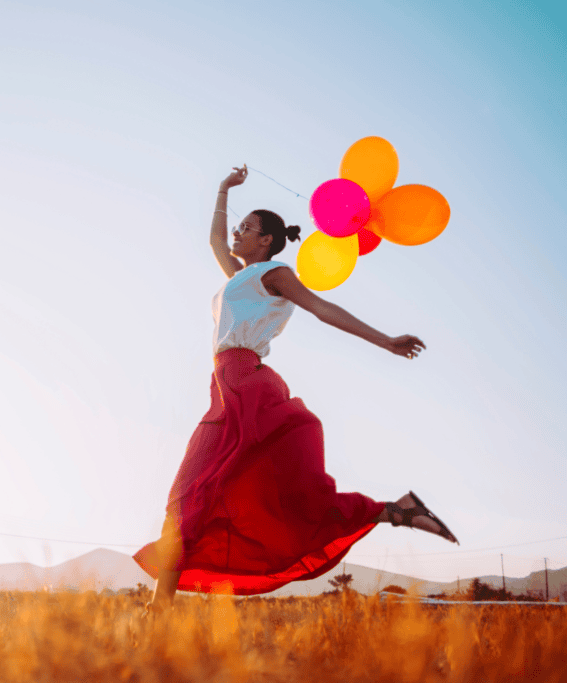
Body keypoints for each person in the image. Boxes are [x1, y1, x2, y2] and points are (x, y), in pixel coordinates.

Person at [133, 164, 458, 613]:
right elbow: (213, 240)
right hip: (225, 386)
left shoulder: (274, 274)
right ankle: (396, 511)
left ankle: (158, 613)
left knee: (210, 496)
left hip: (247, 384)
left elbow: (323, 309)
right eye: (238, 226)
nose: (236, 234)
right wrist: (225, 189)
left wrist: (385, 341)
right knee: (192, 494)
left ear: (265, 240)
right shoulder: (238, 276)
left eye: (246, 228)